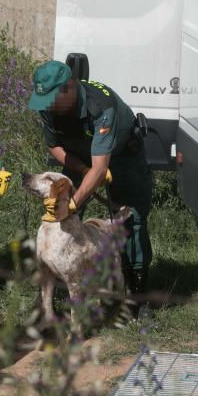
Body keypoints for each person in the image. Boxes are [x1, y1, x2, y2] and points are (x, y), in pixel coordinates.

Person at [27, 60, 153, 294]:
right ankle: (70, 279)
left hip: (122, 155)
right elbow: (53, 146)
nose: (48, 107)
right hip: (79, 157)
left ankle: (137, 291)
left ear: (70, 88)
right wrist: (83, 171)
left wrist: (74, 201)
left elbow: (101, 167)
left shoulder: (100, 106)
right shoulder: (49, 104)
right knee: (66, 219)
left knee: (131, 219)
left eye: (52, 100)